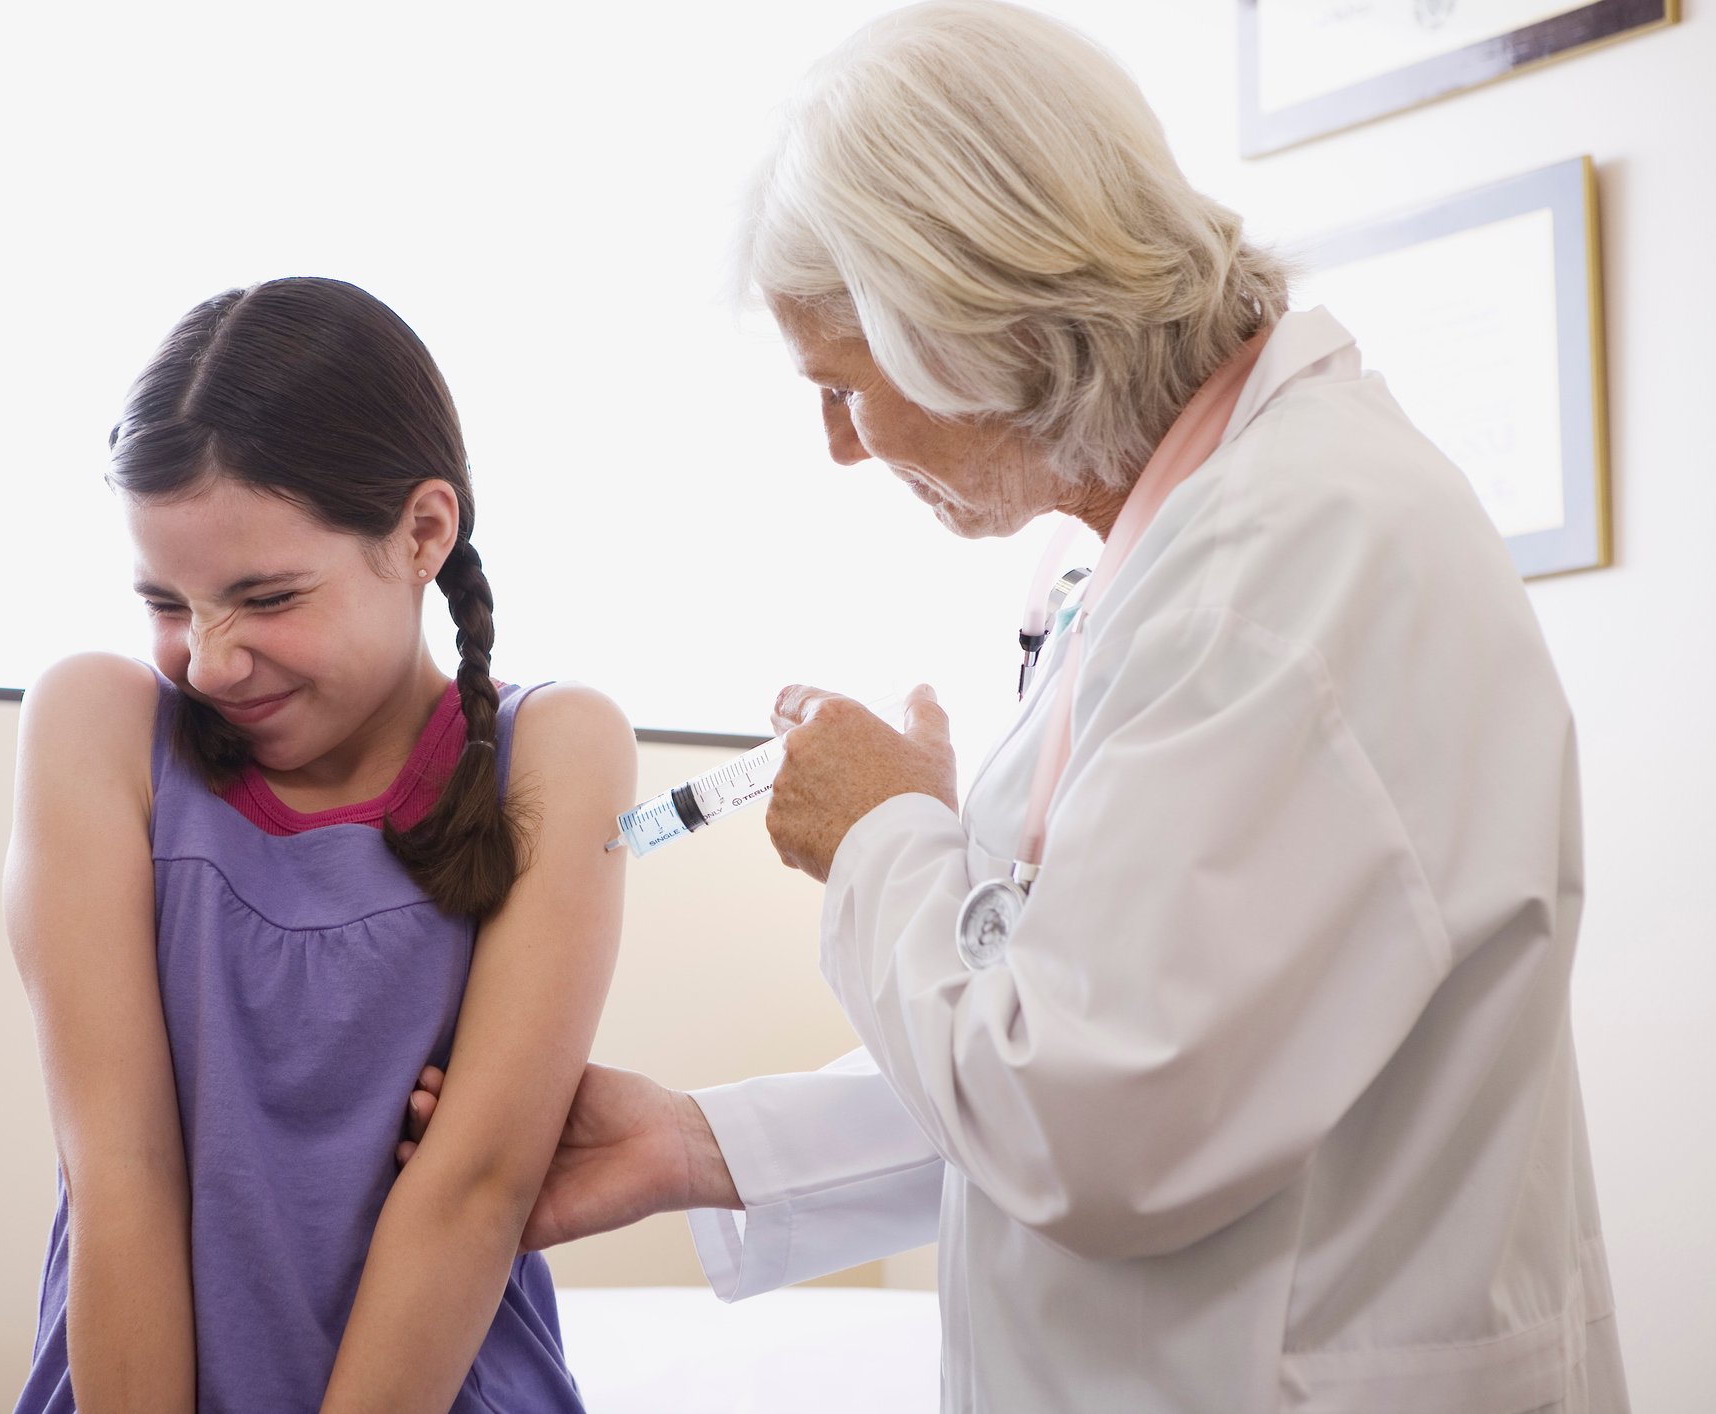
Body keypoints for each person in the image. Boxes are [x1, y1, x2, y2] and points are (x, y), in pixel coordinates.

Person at [402, 4, 1627, 1410]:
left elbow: (1088, 1122)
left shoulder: (1289, 561)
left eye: (846, 385)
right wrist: (698, 1143)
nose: (840, 446)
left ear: (969, 314)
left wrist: (884, 841)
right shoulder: (1181, 550)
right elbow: (1087, 1036)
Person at [6, 276, 635, 1412]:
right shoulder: (95, 726)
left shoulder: (559, 748)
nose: (209, 658)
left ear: (423, 533)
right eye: (168, 601)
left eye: (267, 595)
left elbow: (475, 1188)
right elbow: (122, 1166)